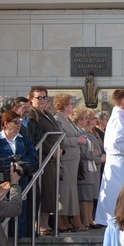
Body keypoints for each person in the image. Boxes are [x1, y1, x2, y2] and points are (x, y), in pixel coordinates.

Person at [0, 109, 39, 237]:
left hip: (21, 180)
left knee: (20, 208)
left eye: (20, 122)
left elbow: (33, 157)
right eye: (16, 122)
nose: (19, 125)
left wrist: (21, 165)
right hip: (3, 182)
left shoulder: (24, 140)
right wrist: (10, 165)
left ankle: (20, 236)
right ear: (6, 123)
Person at [95, 90, 124, 226]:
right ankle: (113, 218)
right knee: (119, 190)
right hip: (119, 160)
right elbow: (117, 140)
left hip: (123, 158)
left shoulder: (121, 117)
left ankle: (119, 216)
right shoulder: (118, 118)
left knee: (122, 189)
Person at [26, 86, 61, 236]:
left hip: (54, 157)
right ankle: (40, 223)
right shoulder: (33, 114)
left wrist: (61, 148)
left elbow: (57, 132)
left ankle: (46, 222)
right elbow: (39, 136)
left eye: (44, 97)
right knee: (45, 190)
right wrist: (50, 150)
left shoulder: (47, 114)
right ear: (31, 99)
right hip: (43, 157)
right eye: (38, 98)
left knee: (51, 190)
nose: (42, 101)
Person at [53, 94, 86, 232]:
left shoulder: (69, 120)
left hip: (74, 159)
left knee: (71, 190)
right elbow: (61, 139)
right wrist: (76, 141)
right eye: (71, 103)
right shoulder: (58, 119)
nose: (73, 106)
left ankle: (68, 219)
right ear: (65, 106)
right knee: (65, 190)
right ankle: (62, 219)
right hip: (66, 160)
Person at [72, 107, 103, 230]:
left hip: (92, 167)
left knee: (90, 196)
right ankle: (85, 219)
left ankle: (89, 219)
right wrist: (97, 156)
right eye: (90, 118)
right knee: (85, 196)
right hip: (86, 166)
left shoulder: (90, 133)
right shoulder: (82, 133)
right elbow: (84, 152)